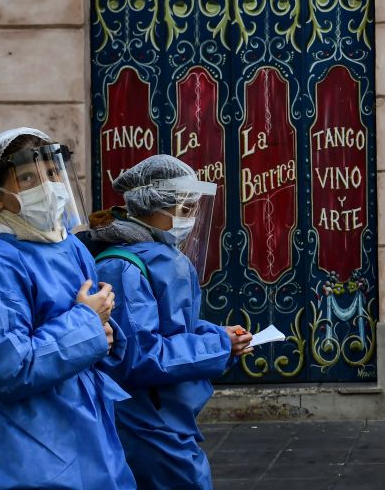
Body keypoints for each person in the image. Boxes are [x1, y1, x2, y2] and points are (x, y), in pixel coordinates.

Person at [0, 127, 135, 489]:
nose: (49, 187)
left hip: (87, 435)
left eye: (53, 173)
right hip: (21, 447)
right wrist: (89, 322)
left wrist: (103, 331)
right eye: (27, 177)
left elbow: (94, 339)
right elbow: (6, 368)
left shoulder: (68, 247)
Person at [79, 154, 254, 490]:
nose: (189, 220)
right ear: (152, 207)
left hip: (162, 412)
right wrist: (218, 345)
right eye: (184, 210)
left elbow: (173, 331)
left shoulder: (150, 256)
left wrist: (218, 336)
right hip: (145, 417)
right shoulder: (125, 267)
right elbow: (142, 356)